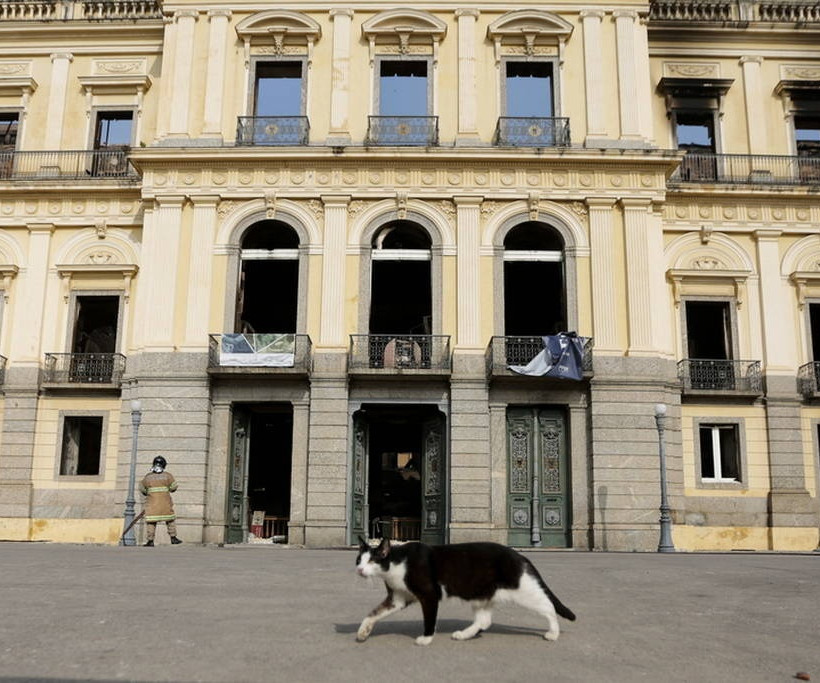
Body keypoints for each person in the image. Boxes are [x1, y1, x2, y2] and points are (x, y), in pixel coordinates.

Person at [140, 456, 182, 547]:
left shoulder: (148, 477)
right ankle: (173, 538)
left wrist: (148, 492)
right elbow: (174, 487)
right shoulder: (168, 476)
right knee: (170, 520)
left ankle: (150, 541)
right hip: (165, 504)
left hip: (152, 504)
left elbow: (142, 489)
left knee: (151, 522)